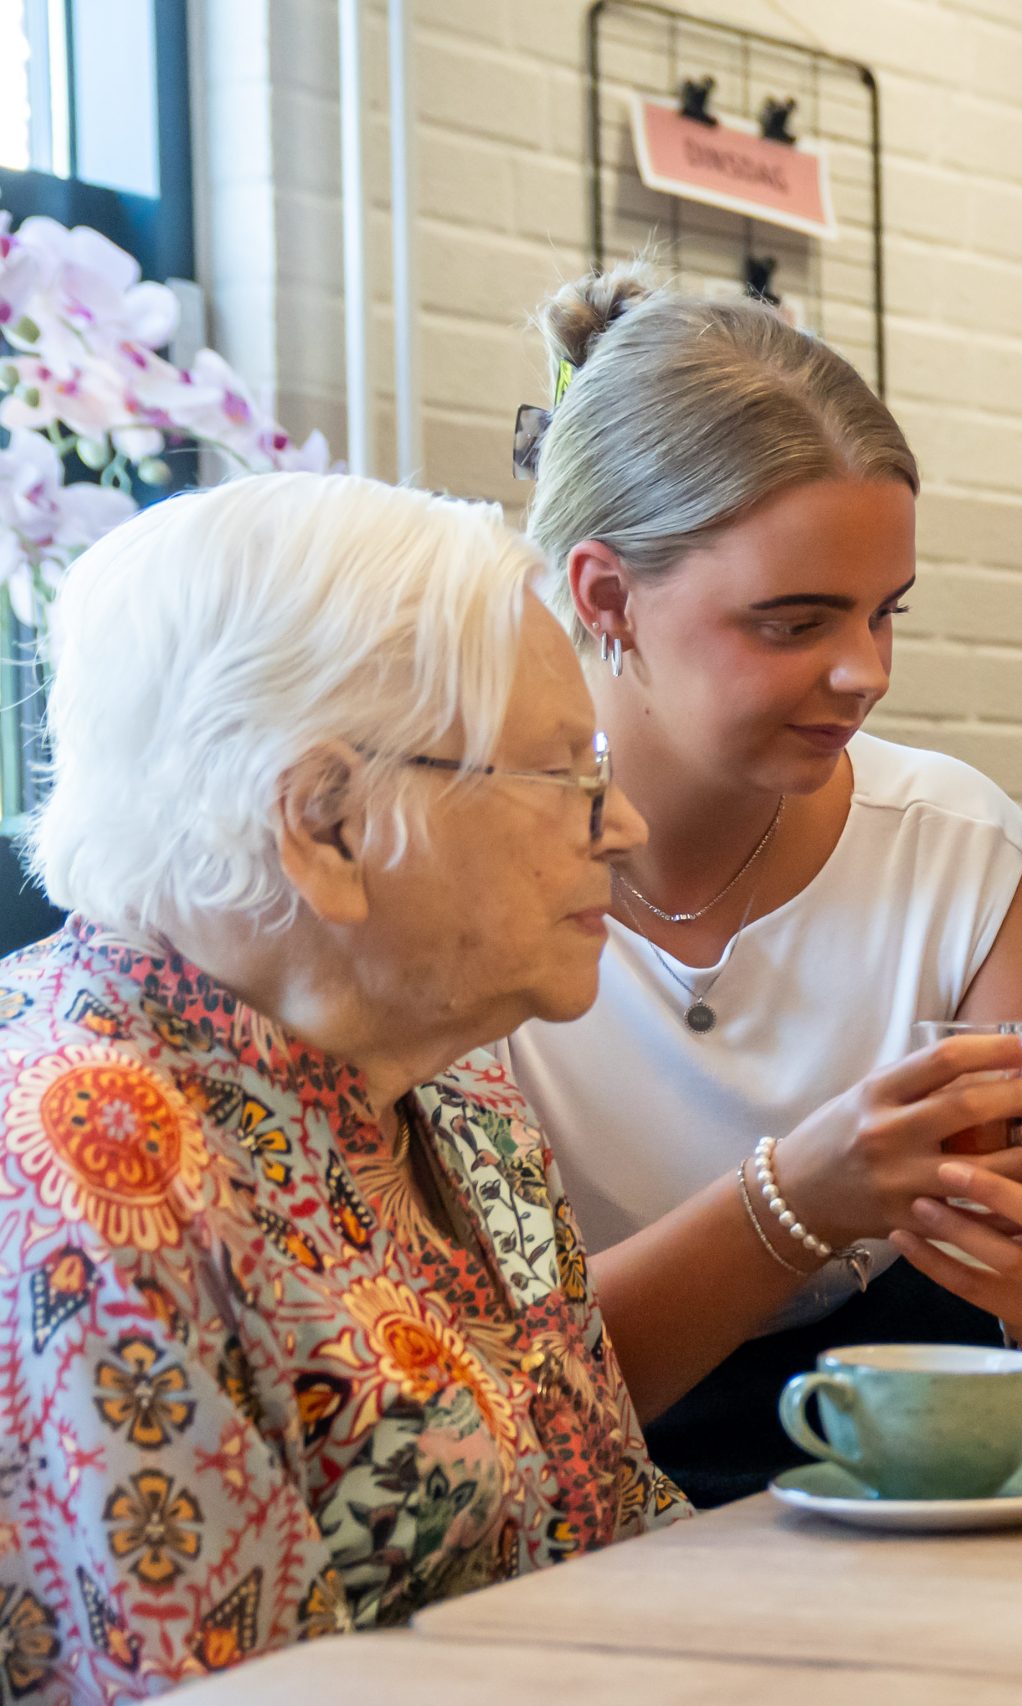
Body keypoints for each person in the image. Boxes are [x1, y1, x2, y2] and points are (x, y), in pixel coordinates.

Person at [502, 268, 1022, 1506]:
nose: (864, 671)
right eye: (793, 622)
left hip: (912, 1501)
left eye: (887, 614)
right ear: (606, 594)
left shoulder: (952, 848)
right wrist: (794, 1200)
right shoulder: (465, 880)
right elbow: (482, 1380)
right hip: (579, 1516)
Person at [0, 474, 682, 1697]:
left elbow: (620, 1530)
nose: (623, 824)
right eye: (566, 775)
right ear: (325, 822)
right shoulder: (90, 1154)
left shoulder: (461, 1096)